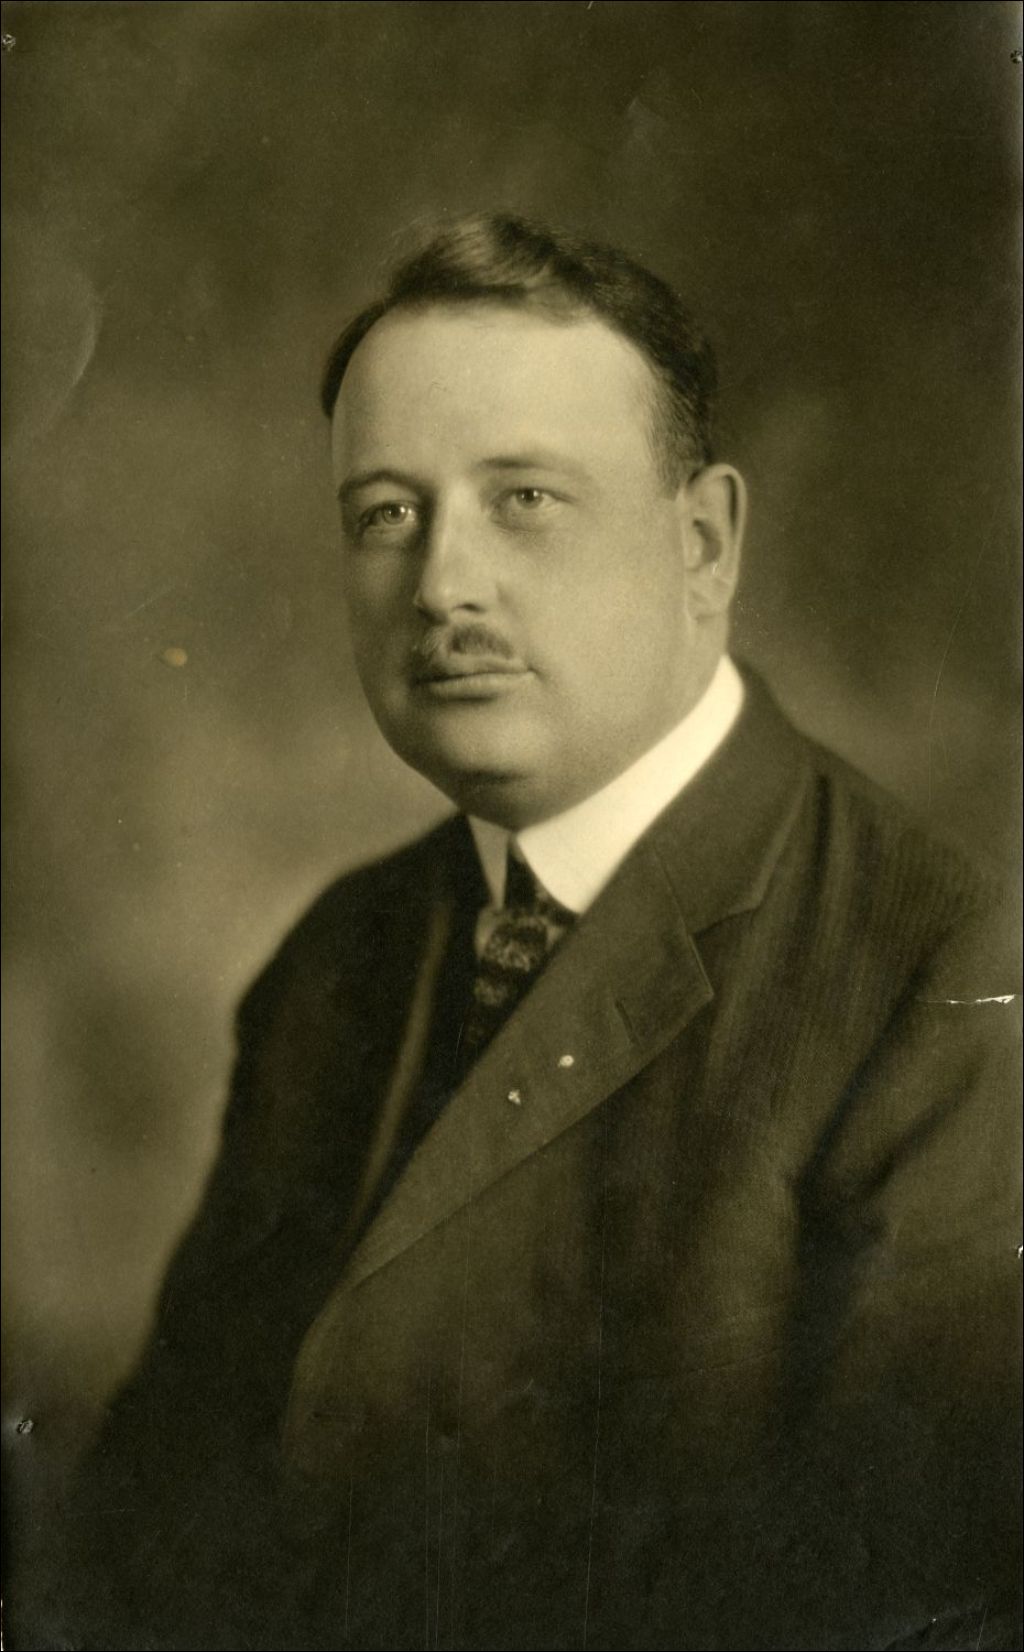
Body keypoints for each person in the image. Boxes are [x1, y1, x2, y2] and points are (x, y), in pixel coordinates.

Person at [65, 215, 1019, 1651]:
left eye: (524, 498)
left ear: (702, 544)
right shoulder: (337, 959)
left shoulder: (945, 983)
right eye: (386, 513)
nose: (442, 585)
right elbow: (147, 1536)